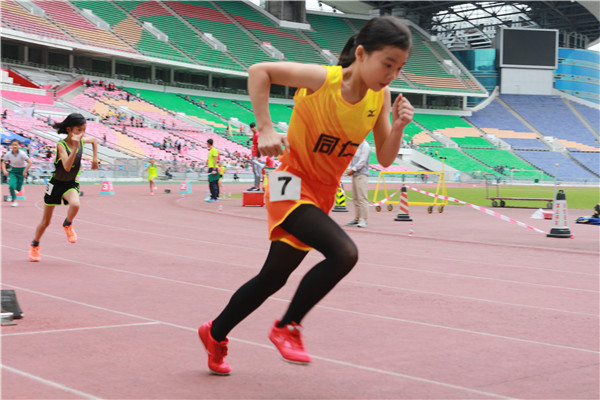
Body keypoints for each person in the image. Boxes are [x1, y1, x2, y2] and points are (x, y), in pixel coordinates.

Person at [197, 16, 413, 375]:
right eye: (387, 64)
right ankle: (287, 327)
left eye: (399, 68)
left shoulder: (381, 96)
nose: (391, 75)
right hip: (288, 182)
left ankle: (215, 333)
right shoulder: (322, 80)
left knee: (273, 277)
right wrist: (265, 126)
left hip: (321, 194)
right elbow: (258, 70)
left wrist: (400, 125)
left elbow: (387, 158)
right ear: (361, 54)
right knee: (344, 253)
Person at [28, 113, 98, 262]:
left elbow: (94, 140)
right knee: (46, 222)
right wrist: (76, 147)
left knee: (76, 204)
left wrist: (95, 158)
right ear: (69, 129)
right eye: (79, 130)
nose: (82, 133)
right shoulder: (61, 145)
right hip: (55, 184)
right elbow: (66, 166)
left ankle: (68, 224)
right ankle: (35, 244)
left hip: (70, 184)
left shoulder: (83, 140)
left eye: (84, 130)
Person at [345, 140, 370, 228]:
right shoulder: (355, 144)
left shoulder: (365, 145)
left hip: (362, 174)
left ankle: (364, 219)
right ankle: (357, 218)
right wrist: (349, 169)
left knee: (362, 197)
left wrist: (352, 169)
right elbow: (351, 158)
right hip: (355, 174)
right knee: (355, 197)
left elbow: (362, 161)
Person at [2, 139, 32, 207]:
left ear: (19, 146)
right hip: (13, 171)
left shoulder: (22, 153)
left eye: (16, 145)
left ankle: (12, 194)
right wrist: (4, 170)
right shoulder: (8, 153)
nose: (15, 146)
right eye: (13, 145)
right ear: (11, 146)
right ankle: (14, 200)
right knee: (12, 185)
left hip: (21, 171)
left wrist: (25, 171)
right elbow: (3, 162)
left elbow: (30, 162)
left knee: (18, 189)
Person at [248, 122, 263, 191]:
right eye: (251, 128)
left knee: (257, 171)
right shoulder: (254, 134)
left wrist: (259, 156)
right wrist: (251, 139)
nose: (252, 129)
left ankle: (257, 186)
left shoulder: (257, 134)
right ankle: (255, 185)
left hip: (256, 155)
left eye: (253, 128)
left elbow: (259, 145)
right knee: (254, 170)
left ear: (254, 127)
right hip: (254, 154)